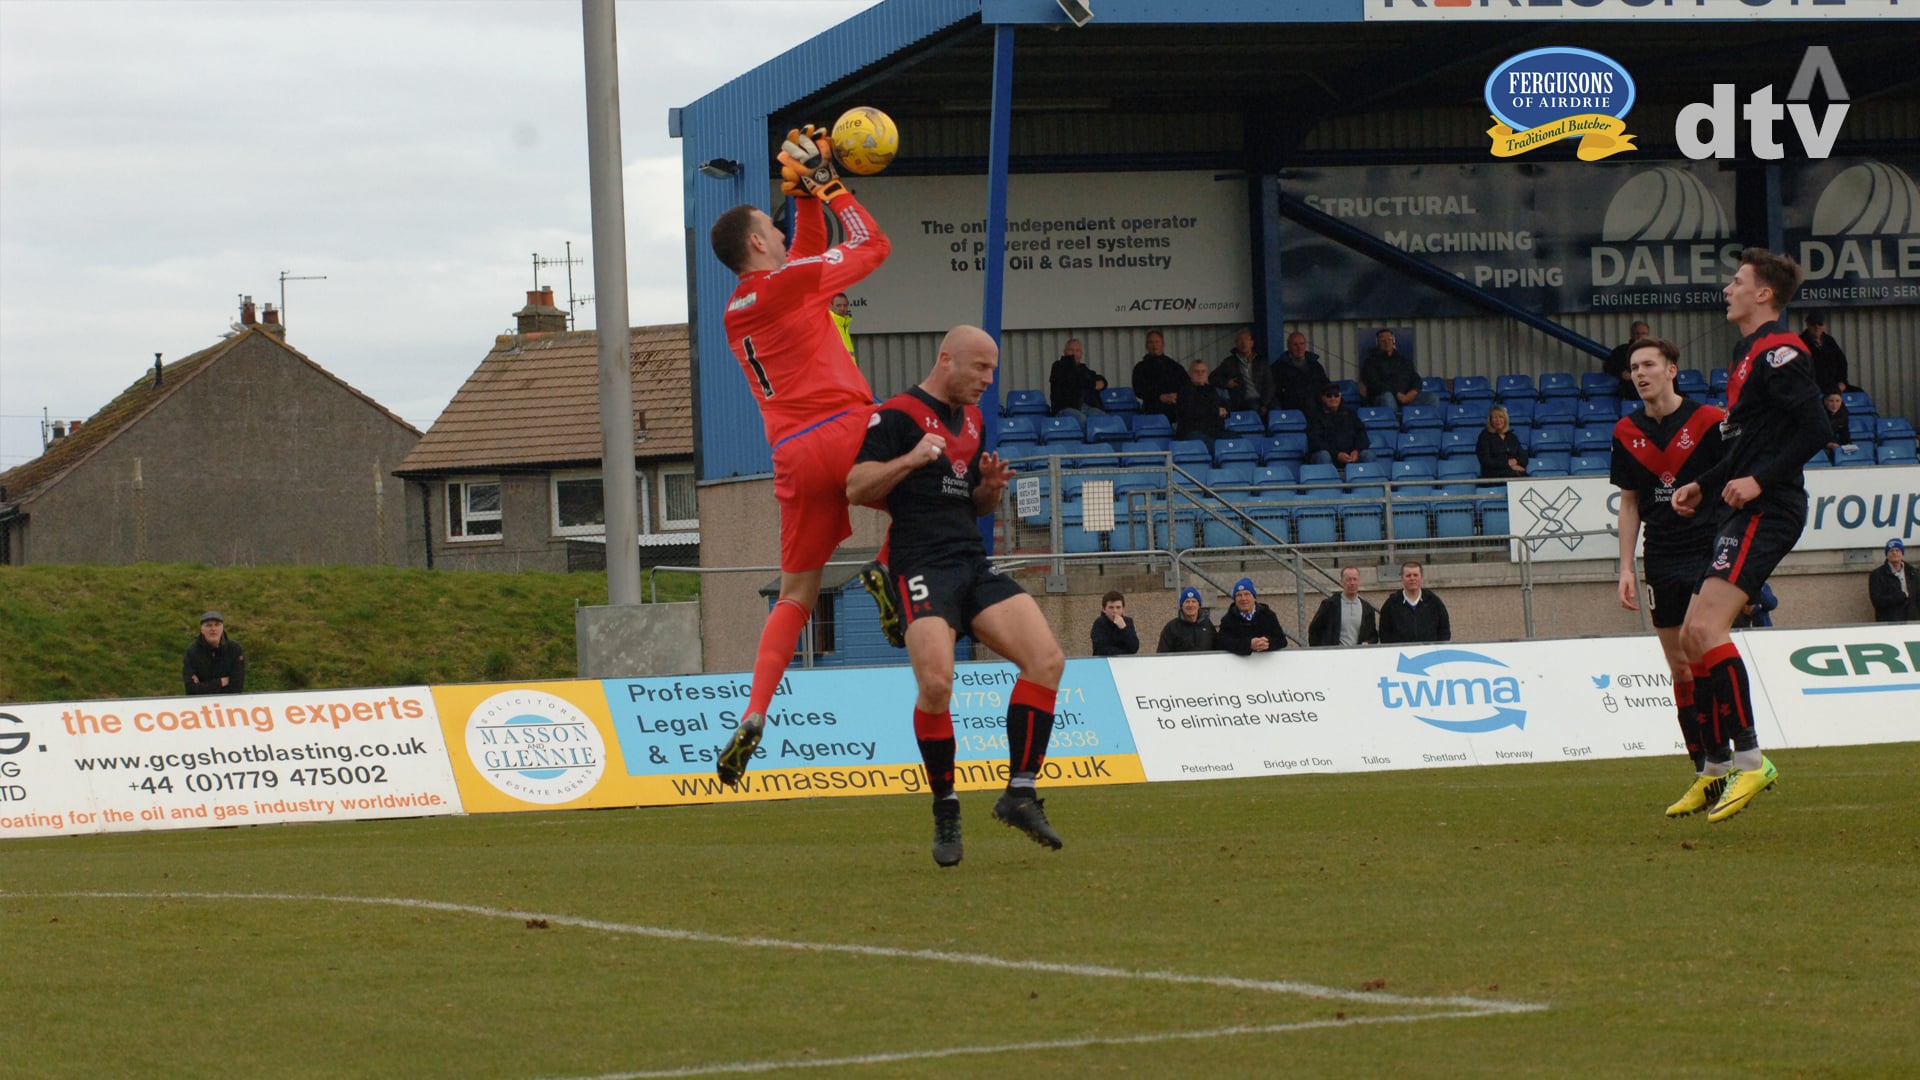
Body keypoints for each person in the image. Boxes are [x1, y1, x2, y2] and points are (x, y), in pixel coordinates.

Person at [708, 124, 892, 790]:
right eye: (775, 227)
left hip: (792, 454)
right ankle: (884, 568)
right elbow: (874, 246)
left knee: (794, 595)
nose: (784, 234)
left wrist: (799, 198)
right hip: (846, 427)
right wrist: (830, 186)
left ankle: (754, 714)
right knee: (941, 461)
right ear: (757, 243)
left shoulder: (740, 306)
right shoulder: (789, 286)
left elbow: (804, 253)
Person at [847, 324, 1069, 866]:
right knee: (937, 683)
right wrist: (911, 459)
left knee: (1047, 660)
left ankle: (1019, 792)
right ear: (946, 359)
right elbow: (855, 486)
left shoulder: (972, 420)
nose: (988, 381)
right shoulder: (896, 414)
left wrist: (988, 490)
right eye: (980, 368)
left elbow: (971, 506)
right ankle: (945, 806)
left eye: (992, 370)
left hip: (971, 562)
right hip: (920, 564)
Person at [1672, 247, 1830, 823]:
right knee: (1693, 637)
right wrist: (1702, 484)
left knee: (1708, 628)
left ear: (1763, 294)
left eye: (1736, 282)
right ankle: (1714, 771)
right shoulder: (1746, 353)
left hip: (1773, 506)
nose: (1727, 289)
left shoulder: (1782, 349)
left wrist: (1760, 481)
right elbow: (1744, 449)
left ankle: (1752, 761)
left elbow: (1819, 427)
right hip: (1742, 507)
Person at [1609, 337, 1727, 817]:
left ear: (1672, 370)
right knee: (1678, 666)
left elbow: (1730, 480)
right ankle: (1702, 771)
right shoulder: (1626, 430)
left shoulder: (1710, 423)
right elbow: (1631, 502)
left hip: (1706, 550)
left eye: (1649, 365)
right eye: (1634, 367)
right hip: (1659, 556)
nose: (1640, 373)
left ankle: (1727, 756)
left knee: (1703, 654)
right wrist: (1625, 567)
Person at [1357, 329, 1432, 412]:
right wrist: (1397, 394)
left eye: (1389, 339)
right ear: (1378, 343)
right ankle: (1394, 421)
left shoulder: (1403, 360)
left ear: (1393, 342)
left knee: (1431, 397)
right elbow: (1375, 384)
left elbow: (1415, 378)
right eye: (1383, 340)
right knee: (1387, 397)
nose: (1387, 343)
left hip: (1406, 397)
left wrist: (1412, 393)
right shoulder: (1370, 362)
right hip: (1383, 397)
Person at [1377, 561, 1450, 643]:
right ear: (1402, 578)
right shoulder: (1391, 604)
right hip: (1401, 654)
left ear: (1421, 578)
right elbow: (1384, 633)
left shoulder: (1434, 602)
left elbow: (1444, 630)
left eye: (1415, 575)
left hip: (1429, 653)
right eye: (1408, 576)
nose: (1412, 578)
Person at [1305, 383, 1372, 470]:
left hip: (1350, 456)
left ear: (1340, 397)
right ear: (1323, 398)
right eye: (1329, 395)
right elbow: (1316, 442)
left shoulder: (1351, 414)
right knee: (1323, 455)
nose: (1333, 398)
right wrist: (1336, 454)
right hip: (1329, 456)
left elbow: (1362, 435)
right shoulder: (1315, 417)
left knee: (1368, 454)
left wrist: (1357, 451)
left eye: (1336, 395)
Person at [1308, 566, 1379, 647]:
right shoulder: (1329, 605)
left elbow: (1373, 636)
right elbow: (1314, 630)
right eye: (1348, 579)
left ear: (1359, 582)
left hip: (1358, 656)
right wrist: (1321, 651)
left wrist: (1368, 643)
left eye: (1355, 579)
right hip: (1334, 656)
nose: (1352, 583)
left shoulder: (1367, 609)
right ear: (1341, 582)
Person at [1215, 577, 1286, 655]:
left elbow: (1281, 640)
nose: (1243, 598)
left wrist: (1267, 643)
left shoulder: (1268, 615)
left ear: (1254, 597)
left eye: (1247, 594)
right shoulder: (1228, 619)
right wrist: (1249, 644)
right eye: (1239, 595)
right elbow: (1222, 643)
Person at [183, 611, 245, 695]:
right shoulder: (192, 652)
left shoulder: (235, 650)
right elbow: (191, 690)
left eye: (217, 624)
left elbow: (236, 687)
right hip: (200, 704)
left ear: (222, 628)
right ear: (202, 630)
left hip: (229, 704)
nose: (213, 629)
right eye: (208, 625)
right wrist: (221, 682)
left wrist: (203, 686)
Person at [1212, 329, 1272, 416]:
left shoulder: (1261, 361)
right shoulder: (1229, 362)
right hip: (1243, 401)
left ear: (1252, 343)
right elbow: (1212, 377)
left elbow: (1270, 384)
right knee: (1254, 407)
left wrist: (1264, 403)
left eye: (1246, 339)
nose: (1243, 343)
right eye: (1240, 340)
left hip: (1263, 399)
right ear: (1236, 343)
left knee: (1276, 409)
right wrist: (1226, 383)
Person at [1131, 329, 1185, 423]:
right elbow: (1139, 390)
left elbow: (1186, 384)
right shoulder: (1140, 368)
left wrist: (1177, 395)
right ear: (1146, 346)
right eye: (1151, 342)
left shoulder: (1174, 366)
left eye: (1157, 342)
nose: (1154, 345)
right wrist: (1159, 397)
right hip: (1153, 408)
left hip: (1176, 407)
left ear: (1163, 344)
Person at [1272, 331, 1332, 415]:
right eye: (1295, 345)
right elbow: (1275, 392)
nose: (1299, 348)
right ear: (1288, 346)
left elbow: (1326, 384)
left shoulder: (1315, 365)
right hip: (1293, 409)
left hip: (1318, 407)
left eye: (1301, 344)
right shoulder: (1278, 367)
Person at [1048, 337, 1106, 419]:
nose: (1074, 353)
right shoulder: (1058, 366)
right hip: (1064, 408)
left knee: (1103, 418)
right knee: (1081, 419)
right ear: (1064, 352)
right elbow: (1074, 381)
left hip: (1085, 407)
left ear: (1081, 354)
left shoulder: (1083, 369)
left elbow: (1100, 380)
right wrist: (1092, 384)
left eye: (1077, 350)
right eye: (1071, 350)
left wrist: (1102, 383)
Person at [1174, 359, 1229, 443]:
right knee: (1209, 444)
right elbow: (1191, 412)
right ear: (1190, 374)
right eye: (1196, 371)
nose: (1200, 374)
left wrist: (1224, 410)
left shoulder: (1212, 390)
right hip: (1191, 432)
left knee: (1237, 441)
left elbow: (1225, 408)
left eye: (1203, 371)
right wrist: (1215, 410)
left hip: (1214, 431)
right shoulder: (1184, 391)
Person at [1869, 539, 1919, 622]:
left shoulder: (1913, 573)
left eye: (1897, 550)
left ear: (1902, 553)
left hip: (1912, 622)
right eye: (1891, 550)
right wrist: (1901, 596)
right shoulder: (1877, 575)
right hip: (1890, 622)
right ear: (1887, 554)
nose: (1894, 553)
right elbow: (1877, 601)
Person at [1800, 312, 1851, 393]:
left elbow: (1842, 362)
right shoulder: (1800, 342)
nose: (1817, 327)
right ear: (1808, 325)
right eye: (1813, 324)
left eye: (1820, 323)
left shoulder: (1829, 341)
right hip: (1810, 388)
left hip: (1833, 385)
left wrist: (1842, 381)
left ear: (1824, 325)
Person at [1156, 586, 1216, 653]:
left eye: (1194, 601)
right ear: (1182, 606)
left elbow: (1217, 648)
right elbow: (1162, 653)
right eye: (1187, 601)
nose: (1190, 605)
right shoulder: (1171, 628)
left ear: (1199, 605)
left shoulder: (1207, 625)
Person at [1476, 405, 1528, 479]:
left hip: (1514, 473)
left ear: (1505, 419)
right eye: (1495, 417)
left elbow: (1524, 457)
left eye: (1501, 417)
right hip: (1494, 476)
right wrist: (1508, 464)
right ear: (1490, 420)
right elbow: (1486, 461)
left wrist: (1515, 461)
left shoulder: (1511, 436)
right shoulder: (1485, 436)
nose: (1498, 420)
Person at [1090, 589, 1139, 656]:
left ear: (1123, 609)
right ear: (1104, 609)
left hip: (1125, 662)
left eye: (1118, 607)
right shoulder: (1099, 624)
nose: (1115, 611)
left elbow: (1134, 647)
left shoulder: (1128, 622)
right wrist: (1124, 653)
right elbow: (1101, 649)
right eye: (1111, 607)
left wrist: (1124, 628)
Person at [1823, 390, 1852, 462]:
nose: (1834, 405)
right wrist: (1827, 444)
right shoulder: (1818, 415)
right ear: (1825, 402)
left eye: (1837, 401)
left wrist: (1847, 446)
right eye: (1831, 401)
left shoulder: (1844, 415)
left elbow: (1845, 434)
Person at [828, 292, 856, 365]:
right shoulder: (828, 324)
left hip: (847, 372)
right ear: (831, 306)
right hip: (837, 373)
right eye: (838, 305)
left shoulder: (844, 324)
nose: (842, 308)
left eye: (845, 305)